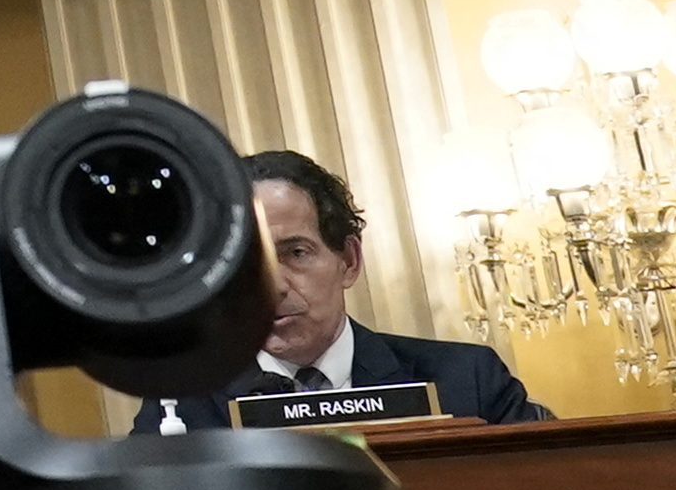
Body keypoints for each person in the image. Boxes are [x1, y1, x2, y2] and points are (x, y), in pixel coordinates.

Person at [133, 148, 549, 430]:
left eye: (295, 252)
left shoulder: (466, 382)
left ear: (348, 260)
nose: (273, 286)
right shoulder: (181, 406)